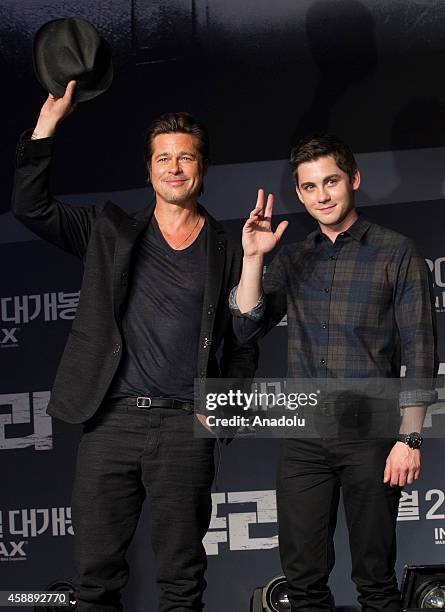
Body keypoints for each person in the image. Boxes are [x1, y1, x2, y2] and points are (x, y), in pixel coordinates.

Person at [12, 80, 258, 612]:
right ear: (148, 169)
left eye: (185, 158)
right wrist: (47, 125)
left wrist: (222, 414)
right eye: (162, 158)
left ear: (203, 169)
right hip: (111, 424)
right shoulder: (109, 230)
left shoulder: (228, 247)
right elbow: (30, 207)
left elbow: (243, 342)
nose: (173, 168)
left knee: (182, 581)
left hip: (184, 427)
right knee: (95, 581)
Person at [230, 134, 438, 612]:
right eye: (308, 187)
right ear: (299, 194)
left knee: (375, 579)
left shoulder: (396, 252)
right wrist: (254, 257)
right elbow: (246, 326)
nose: (322, 195)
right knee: (302, 582)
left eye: (331, 181)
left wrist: (410, 439)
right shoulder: (295, 256)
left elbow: (421, 352)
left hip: (372, 433)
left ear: (354, 180)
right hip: (304, 434)